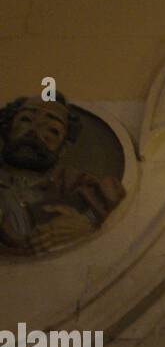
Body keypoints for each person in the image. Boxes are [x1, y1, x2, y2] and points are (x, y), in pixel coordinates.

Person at [0, 95, 124, 256]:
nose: (33, 132)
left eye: (51, 129)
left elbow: (106, 198)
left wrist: (85, 222)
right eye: (25, 120)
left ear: (64, 147)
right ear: (7, 131)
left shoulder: (75, 183)